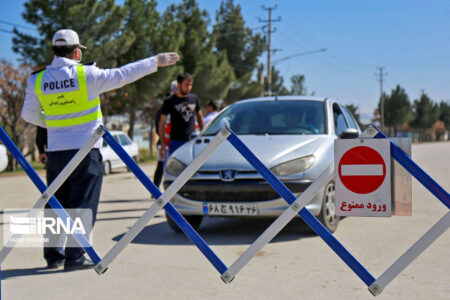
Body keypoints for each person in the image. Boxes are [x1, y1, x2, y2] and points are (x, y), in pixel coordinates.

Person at [21, 29, 179, 270]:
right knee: (82, 202)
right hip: (85, 150)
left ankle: (53, 256)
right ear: (76, 51)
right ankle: (74, 258)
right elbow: (123, 74)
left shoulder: (37, 80)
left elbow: (28, 114)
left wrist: (55, 123)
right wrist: (154, 61)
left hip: (56, 151)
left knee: (55, 202)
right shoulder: (86, 75)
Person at [158, 72, 204, 158]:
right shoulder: (169, 101)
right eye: (186, 85)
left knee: (194, 169)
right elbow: (162, 123)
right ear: (179, 85)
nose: (189, 88)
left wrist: (203, 136)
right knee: (175, 170)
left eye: (191, 85)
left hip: (192, 141)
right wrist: (163, 145)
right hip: (176, 142)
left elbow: (200, 118)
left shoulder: (194, 98)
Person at [153, 81, 176, 188]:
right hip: (166, 143)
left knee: (160, 167)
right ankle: (156, 188)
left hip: (163, 142)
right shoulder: (165, 112)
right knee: (163, 167)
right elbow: (159, 127)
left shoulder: (160, 111)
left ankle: (154, 189)